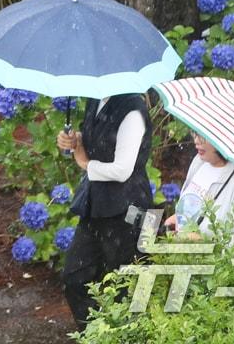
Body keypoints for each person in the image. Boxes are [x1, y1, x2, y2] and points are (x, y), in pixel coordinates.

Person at [55, 92, 153, 330]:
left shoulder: (132, 110)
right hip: (97, 205)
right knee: (74, 277)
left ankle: (121, 335)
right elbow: (95, 140)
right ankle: (96, 334)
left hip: (128, 209)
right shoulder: (96, 100)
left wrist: (84, 163)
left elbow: (122, 170)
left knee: (125, 288)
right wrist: (74, 140)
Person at [164, 131, 234, 279]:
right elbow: (194, 203)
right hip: (189, 272)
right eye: (195, 133)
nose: (197, 141)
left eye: (204, 135)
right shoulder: (199, 162)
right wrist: (179, 218)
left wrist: (205, 243)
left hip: (222, 285)